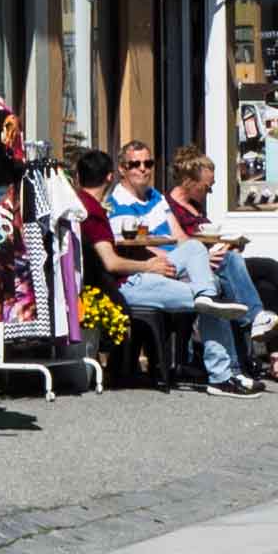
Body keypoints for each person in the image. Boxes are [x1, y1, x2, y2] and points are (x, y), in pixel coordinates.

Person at [94, 138, 256, 390]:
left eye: (148, 163)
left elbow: (181, 239)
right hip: (137, 277)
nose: (143, 169)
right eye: (135, 164)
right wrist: (162, 263)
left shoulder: (156, 197)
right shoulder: (115, 204)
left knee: (198, 253)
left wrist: (201, 258)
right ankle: (224, 375)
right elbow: (131, 250)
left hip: (167, 267)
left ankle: (226, 364)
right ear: (122, 169)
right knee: (214, 298)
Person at [169, 150, 278, 366]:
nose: (209, 191)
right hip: (203, 268)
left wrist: (230, 244)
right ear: (189, 182)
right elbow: (179, 245)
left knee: (266, 287)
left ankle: (275, 358)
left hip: (220, 261)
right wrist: (208, 253)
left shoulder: (194, 206)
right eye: (206, 187)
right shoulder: (169, 208)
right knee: (269, 266)